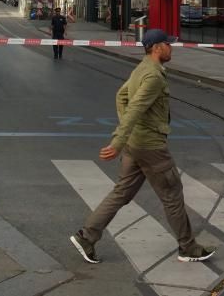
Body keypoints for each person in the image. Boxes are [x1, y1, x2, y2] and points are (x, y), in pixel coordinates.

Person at [69, 29, 215, 265]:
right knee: (172, 195)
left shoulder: (141, 69)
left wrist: (127, 136)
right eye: (168, 44)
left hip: (135, 145)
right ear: (157, 47)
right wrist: (117, 141)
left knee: (121, 192)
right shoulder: (153, 76)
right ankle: (188, 248)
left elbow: (121, 96)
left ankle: (87, 236)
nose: (171, 48)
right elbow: (135, 107)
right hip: (151, 146)